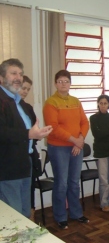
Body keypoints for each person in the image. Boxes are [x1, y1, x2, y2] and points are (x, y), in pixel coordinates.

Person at [0, 58, 52, 218]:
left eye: (20, 74)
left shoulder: (19, 103)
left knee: (25, 213)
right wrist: (29, 134)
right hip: (7, 168)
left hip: (24, 163)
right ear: (1, 78)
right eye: (13, 73)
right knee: (13, 217)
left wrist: (37, 133)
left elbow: (27, 132)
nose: (18, 77)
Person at [43, 69, 90, 229]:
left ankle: (76, 213)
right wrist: (75, 141)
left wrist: (81, 139)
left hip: (76, 147)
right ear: (56, 84)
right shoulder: (51, 103)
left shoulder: (76, 101)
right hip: (59, 148)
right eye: (60, 81)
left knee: (74, 183)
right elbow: (54, 128)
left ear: (70, 83)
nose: (63, 84)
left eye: (66, 81)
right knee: (61, 183)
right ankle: (60, 216)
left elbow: (84, 122)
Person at [19, 75, 43, 221]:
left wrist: (40, 133)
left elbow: (35, 131)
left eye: (28, 89)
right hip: (15, 156)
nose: (25, 91)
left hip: (29, 154)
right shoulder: (7, 107)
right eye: (23, 88)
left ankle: (31, 217)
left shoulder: (28, 108)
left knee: (30, 188)